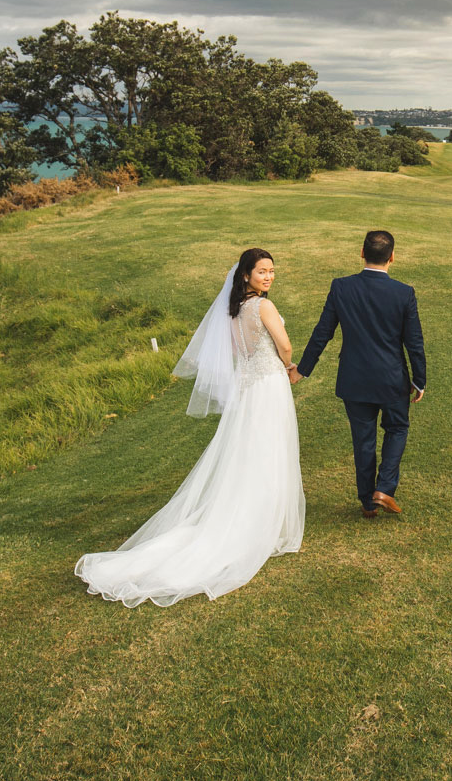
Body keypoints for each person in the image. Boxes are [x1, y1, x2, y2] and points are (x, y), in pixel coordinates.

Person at [75, 248, 304, 606]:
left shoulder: (232, 312)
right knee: (270, 448)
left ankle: (256, 513)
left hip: (248, 389)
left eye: (272, 271)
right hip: (270, 384)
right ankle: (263, 522)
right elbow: (285, 346)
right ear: (245, 275)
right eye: (262, 272)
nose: (269, 277)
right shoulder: (262, 307)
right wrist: (288, 366)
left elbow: (238, 353)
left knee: (250, 451)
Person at [296, 229, 427, 518]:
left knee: (363, 438)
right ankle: (384, 489)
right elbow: (413, 342)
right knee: (397, 429)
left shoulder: (341, 287)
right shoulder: (404, 293)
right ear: (392, 257)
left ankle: (368, 502)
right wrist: (419, 380)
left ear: (361, 253)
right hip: (392, 379)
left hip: (354, 379)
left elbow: (322, 333)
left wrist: (302, 370)